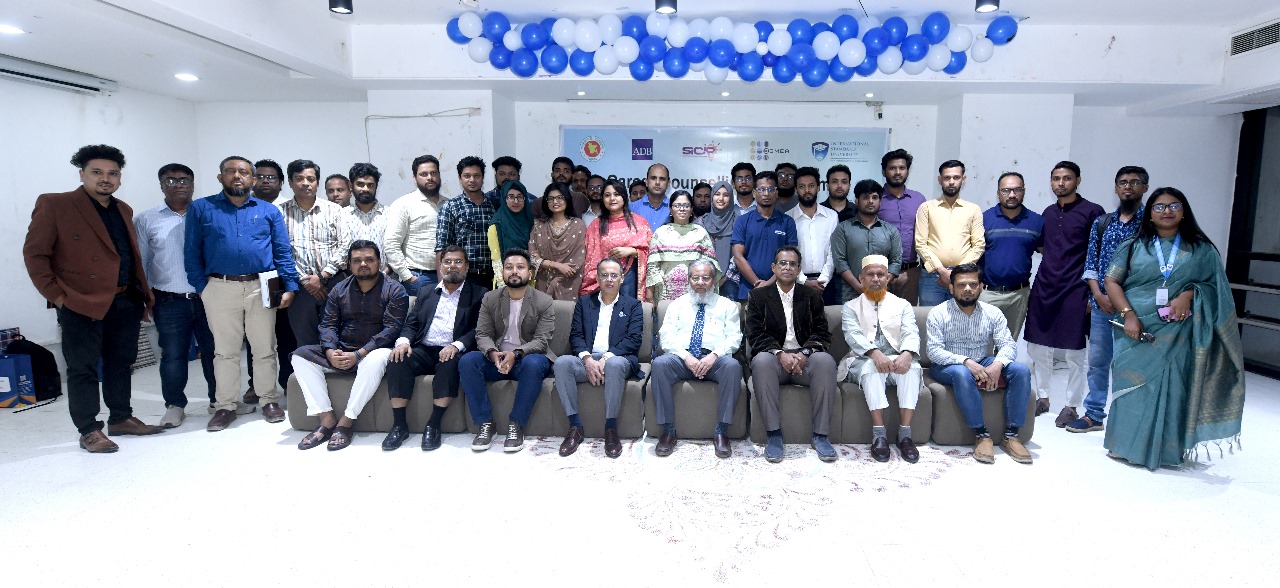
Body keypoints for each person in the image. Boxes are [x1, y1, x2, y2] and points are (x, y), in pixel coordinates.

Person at [23, 144, 163, 452]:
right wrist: (59, 297)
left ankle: (121, 418)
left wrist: (141, 295)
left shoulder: (123, 209)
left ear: (119, 178)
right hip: (80, 302)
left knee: (121, 363)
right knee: (82, 368)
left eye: (113, 173)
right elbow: (35, 255)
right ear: (82, 174)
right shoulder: (55, 204)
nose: (105, 179)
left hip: (125, 299)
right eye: (97, 172)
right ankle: (88, 429)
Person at [1103, 188, 1244, 470]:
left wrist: (1189, 294)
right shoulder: (1134, 245)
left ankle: (1166, 451)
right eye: (1159, 207)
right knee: (1131, 386)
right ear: (1150, 214)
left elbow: (1216, 288)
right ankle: (1124, 445)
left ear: (1184, 211)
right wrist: (1129, 316)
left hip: (1178, 331)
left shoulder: (1202, 250)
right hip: (1135, 329)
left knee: (1174, 386)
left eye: (1174, 206)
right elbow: (1112, 281)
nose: (1166, 211)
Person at [185, 156, 300, 432]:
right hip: (219, 287)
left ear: (253, 179)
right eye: (231, 171)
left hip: (262, 286)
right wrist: (202, 287)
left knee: (264, 348)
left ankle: (268, 399)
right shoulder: (201, 208)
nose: (237, 176)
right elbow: (191, 251)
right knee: (225, 352)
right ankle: (225, 405)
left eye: (244, 172)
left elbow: (282, 251)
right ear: (220, 177)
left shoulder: (268, 211)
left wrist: (290, 285)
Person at [291, 241, 408, 451]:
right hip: (343, 349)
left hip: (373, 352)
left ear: (379, 262)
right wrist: (330, 350)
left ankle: (346, 422)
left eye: (369, 259)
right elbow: (328, 324)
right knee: (299, 355)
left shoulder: (394, 289)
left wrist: (359, 354)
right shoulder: (339, 289)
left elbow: (391, 330)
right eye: (357, 260)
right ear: (349, 264)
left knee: (379, 357)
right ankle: (327, 419)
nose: (363, 264)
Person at [1067, 166, 1149, 434]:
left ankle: (1128, 418)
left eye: (1135, 182)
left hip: (1136, 306)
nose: (1128, 187)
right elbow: (1091, 263)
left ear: (1145, 188)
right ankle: (1094, 414)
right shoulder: (1103, 223)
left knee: (1132, 364)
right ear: (1116, 188)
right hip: (1103, 305)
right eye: (1123, 182)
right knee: (1098, 362)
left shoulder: (1151, 224)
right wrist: (1098, 295)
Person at [134, 163, 215, 428]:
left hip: (209, 297)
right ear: (161, 185)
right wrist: (144, 297)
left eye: (184, 180)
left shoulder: (207, 213)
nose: (178, 185)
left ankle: (219, 401)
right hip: (169, 300)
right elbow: (142, 261)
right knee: (173, 355)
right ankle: (175, 405)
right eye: (170, 180)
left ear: (192, 185)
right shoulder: (147, 219)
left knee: (216, 352)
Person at [926, 263, 1033, 464]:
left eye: (973, 284)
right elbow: (934, 352)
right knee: (962, 373)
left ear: (981, 287)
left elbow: (1008, 345)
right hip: (947, 365)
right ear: (951, 288)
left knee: (1021, 370)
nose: (968, 289)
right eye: (961, 285)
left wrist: (998, 364)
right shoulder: (938, 313)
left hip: (983, 359)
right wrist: (965, 362)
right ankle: (982, 435)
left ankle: (1011, 436)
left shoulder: (993, 312)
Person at [1023, 161, 1104, 425]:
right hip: (1045, 285)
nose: (1061, 183)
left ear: (1078, 181)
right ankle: (1043, 397)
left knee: (1075, 352)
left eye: (1067, 178)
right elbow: (1044, 247)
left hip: (1076, 288)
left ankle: (1071, 405)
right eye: (1056, 178)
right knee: (1038, 346)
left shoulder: (1092, 212)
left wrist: (1093, 293)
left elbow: (1099, 254)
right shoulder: (1047, 213)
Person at [384, 245, 486, 451]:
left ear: (467, 267)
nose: (452, 266)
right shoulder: (426, 292)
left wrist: (456, 345)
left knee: (450, 364)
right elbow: (412, 323)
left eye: (458, 262)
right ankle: (399, 425)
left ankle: (434, 424)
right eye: (447, 262)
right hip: (424, 348)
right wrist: (403, 342)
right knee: (397, 359)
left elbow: (479, 329)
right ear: (440, 266)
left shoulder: (479, 294)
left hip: (453, 350)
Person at [747, 246, 839, 464]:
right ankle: (774, 436)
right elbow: (755, 334)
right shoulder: (758, 296)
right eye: (783, 263)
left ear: (799, 270)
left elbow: (821, 332)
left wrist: (805, 353)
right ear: (774, 267)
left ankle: (820, 436)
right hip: (774, 360)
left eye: (792, 264)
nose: (787, 268)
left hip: (804, 360)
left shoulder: (812, 296)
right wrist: (780, 354)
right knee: (761, 361)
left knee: (825, 361)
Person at [459, 249, 556, 453]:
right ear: (502, 272)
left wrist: (516, 354)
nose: (514, 271)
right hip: (497, 358)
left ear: (530, 273)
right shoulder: (490, 298)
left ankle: (516, 425)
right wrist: (493, 353)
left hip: (526, 359)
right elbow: (482, 334)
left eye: (520, 267)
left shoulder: (543, 301)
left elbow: (541, 341)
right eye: (509, 267)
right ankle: (485, 424)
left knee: (534, 363)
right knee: (468, 361)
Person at [650, 259, 743, 458]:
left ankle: (721, 432)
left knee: (732, 366)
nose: (700, 282)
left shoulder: (727, 306)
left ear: (714, 280)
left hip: (714, 359)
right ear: (689, 280)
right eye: (695, 278)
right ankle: (668, 431)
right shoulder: (677, 305)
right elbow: (666, 337)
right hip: (683, 359)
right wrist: (686, 357)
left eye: (705, 278)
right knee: (660, 364)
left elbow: (734, 338)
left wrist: (713, 355)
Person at [553, 258, 645, 458]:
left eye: (614, 275)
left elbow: (633, 340)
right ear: (597, 278)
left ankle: (611, 429)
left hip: (618, 359)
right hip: (589, 359)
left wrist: (606, 358)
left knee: (614, 365)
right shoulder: (585, 302)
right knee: (561, 363)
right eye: (604, 275)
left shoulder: (633, 305)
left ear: (622, 278)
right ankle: (575, 427)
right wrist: (587, 360)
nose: (609, 279)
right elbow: (576, 335)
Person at [837, 255, 923, 463]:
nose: (876, 279)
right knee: (871, 367)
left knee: (911, 369)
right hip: (862, 360)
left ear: (887, 278)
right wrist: (874, 353)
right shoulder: (850, 307)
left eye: (880, 275)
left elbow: (911, 332)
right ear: (861, 278)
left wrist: (907, 354)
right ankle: (879, 435)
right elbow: (853, 336)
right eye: (870, 274)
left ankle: (905, 435)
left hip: (897, 359)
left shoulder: (902, 305)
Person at [277, 159, 346, 347]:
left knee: (338, 339)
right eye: (299, 179)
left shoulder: (334, 210)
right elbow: (280, 252)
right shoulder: (279, 212)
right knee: (306, 342)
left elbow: (345, 246)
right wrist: (306, 281)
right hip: (299, 288)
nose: (305, 183)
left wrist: (322, 276)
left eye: (310, 179)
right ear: (290, 182)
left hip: (333, 283)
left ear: (317, 182)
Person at [977, 172, 1043, 341]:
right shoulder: (983, 219)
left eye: (1017, 190)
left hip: (1019, 295)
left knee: (1008, 344)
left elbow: (1048, 255)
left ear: (1024, 191)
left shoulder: (1037, 222)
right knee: (981, 344)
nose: (1012, 195)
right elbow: (973, 255)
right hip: (987, 294)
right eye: (1006, 190)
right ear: (998, 193)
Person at [915, 160, 985, 306]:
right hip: (932, 277)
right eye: (947, 178)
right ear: (939, 180)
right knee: (929, 317)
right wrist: (941, 271)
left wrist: (957, 273)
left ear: (963, 179)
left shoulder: (973, 210)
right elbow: (920, 244)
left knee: (962, 318)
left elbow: (979, 245)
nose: (951, 182)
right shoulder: (926, 208)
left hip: (964, 278)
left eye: (956, 177)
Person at [831, 179, 903, 303]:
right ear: (857, 201)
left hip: (883, 294)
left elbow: (896, 261)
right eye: (866, 197)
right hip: (851, 294)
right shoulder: (843, 229)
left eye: (875, 198)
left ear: (880, 202)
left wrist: (880, 284)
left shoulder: (891, 231)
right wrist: (859, 287)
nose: (870, 201)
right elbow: (840, 262)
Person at [731, 171, 798, 302]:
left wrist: (769, 284)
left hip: (782, 291)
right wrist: (757, 283)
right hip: (749, 291)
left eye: (770, 189)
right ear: (754, 193)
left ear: (776, 193)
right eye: (761, 189)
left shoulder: (787, 222)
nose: (766, 194)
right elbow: (738, 256)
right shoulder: (742, 221)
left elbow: (791, 258)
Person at [582, 179, 653, 301]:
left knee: (626, 310)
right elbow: (590, 257)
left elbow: (652, 253)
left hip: (630, 279)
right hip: (603, 280)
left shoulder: (639, 223)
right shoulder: (596, 225)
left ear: (624, 197)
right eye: (607, 195)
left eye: (616, 194)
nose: (612, 199)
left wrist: (633, 252)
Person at [384, 155, 444, 297]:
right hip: (419, 278)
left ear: (439, 175)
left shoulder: (449, 204)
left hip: (447, 277)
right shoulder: (404, 204)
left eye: (433, 173)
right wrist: (407, 277)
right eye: (424, 174)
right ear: (414, 178)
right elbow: (391, 243)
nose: (430, 177)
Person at [436, 156, 497, 291]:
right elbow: (442, 248)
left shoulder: (494, 206)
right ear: (460, 179)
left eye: (477, 175)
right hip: (461, 277)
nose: (472, 180)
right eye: (467, 176)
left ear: (483, 178)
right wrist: (442, 285)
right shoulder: (450, 207)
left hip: (491, 278)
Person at [647, 190, 717, 301]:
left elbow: (710, 266)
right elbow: (652, 267)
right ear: (670, 209)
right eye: (677, 205)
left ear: (691, 209)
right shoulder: (660, 233)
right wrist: (650, 296)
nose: (682, 209)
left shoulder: (701, 232)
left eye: (686, 205)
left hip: (695, 291)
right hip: (665, 293)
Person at [878, 150, 926, 304]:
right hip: (880, 272)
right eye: (892, 168)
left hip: (910, 272)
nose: (897, 172)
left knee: (907, 315)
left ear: (907, 171)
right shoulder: (875, 199)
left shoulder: (919, 199)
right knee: (877, 315)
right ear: (884, 171)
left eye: (902, 168)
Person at [786, 166, 838, 304]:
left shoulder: (831, 216)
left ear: (818, 187)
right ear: (796, 189)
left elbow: (834, 252)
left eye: (811, 186)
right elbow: (787, 254)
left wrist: (823, 281)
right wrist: (803, 281)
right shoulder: (787, 218)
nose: (807, 190)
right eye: (802, 187)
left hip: (826, 284)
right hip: (796, 283)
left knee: (828, 317)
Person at [529, 182, 587, 301]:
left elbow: (579, 260)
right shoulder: (539, 226)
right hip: (543, 284)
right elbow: (533, 258)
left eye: (560, 197)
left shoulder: (578, 225)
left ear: (567, 199)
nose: (555, 202)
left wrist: (558, 278)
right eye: (551, 199)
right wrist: (557, 265)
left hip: (569, 284)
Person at [339, 163, 388, 272]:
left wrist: (384, 275)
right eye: (360, 184)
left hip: (386, 278)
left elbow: (397, 249)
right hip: (351, 279)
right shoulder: (341, 215)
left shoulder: (390, 214)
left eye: (370, 185)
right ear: (351, 185)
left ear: (376, 186)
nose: (365, 189)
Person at [486, 180, 535, 288]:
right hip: (505, 282)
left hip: (530, 281)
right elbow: (496, 260)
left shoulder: (531, 223)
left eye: (520, 197)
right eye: (511, 197)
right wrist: (504, 285)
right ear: (504, 199)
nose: (516, 201)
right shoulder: (496, 225)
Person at [697, 180, 737, 296]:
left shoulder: (738, 222)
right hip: (704, 279)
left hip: (730, 280)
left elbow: (739, 255)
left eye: (726, 195)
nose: (721, 198)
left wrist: (725, 278)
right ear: (712, 197)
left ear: (731, 198)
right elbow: (697, 252)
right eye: (717, 194)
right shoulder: (701, 222)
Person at [633, 163, 672, 230]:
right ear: (646, 182)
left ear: (668, 183)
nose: (657, 182)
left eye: (662, 179)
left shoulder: (674, 209)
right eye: (653, 178)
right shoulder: (632, 208)